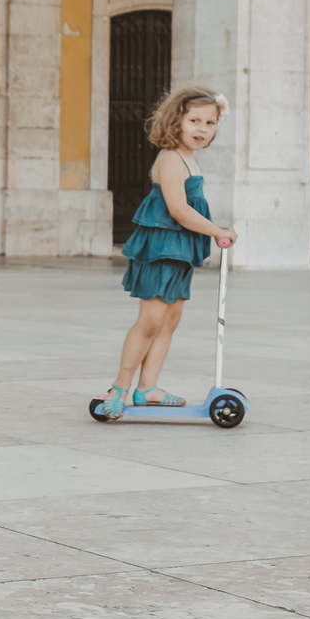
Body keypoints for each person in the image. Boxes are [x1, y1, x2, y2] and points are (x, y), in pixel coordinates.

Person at [102, 83, 237, 420]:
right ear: (175, 121)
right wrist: (218, 229)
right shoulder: (171, 159)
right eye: (194, 121)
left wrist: (215, 228)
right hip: (162, 248)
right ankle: (120, 385)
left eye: (210, 123)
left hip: (179, 250)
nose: (202, 130)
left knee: (170, 320)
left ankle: (147, 387)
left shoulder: (190, 160)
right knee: (150, 320)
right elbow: (178, 210)